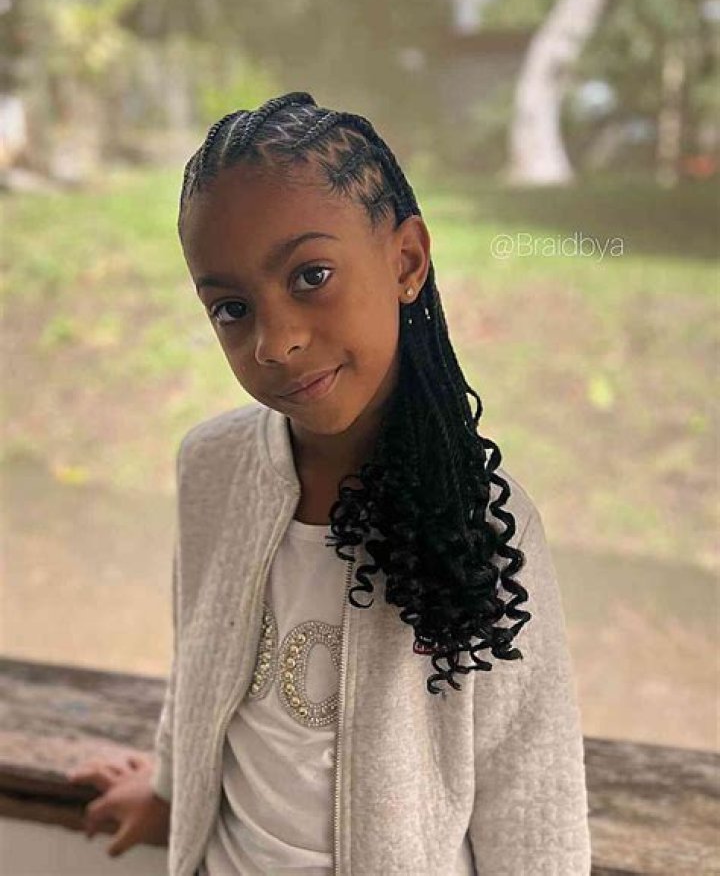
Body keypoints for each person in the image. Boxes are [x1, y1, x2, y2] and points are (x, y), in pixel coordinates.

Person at [66, 91, 591, 875]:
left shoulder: (485, 524)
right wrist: (171, 787)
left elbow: (532, 794)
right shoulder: (211, 466)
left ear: (406, 261)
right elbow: (200, 661)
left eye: (311, 276)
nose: (274, 342)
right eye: (231, 308)